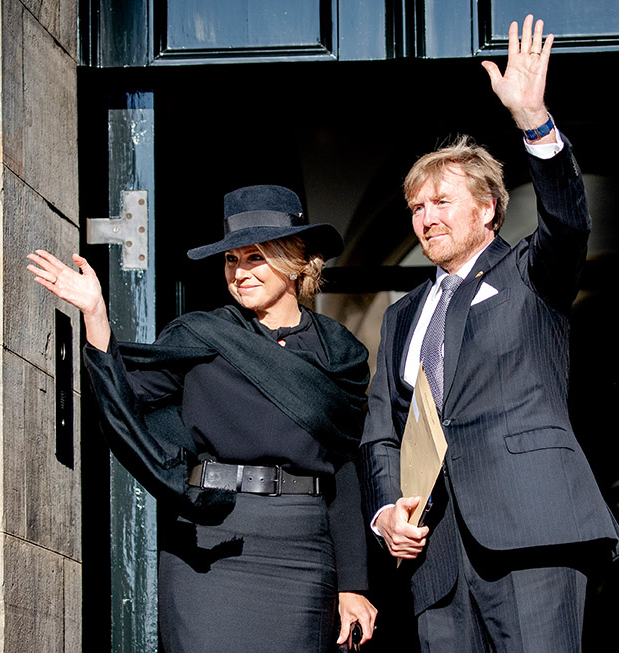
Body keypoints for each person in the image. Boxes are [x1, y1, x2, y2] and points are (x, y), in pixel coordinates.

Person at [359, 14, 619, 651]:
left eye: (441, 202)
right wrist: (385, 511)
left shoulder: (531, 275)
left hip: (531, 533)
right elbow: (380, 429)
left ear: (487, 208)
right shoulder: (402, 316)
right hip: (437, 558)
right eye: (416, 208)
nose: (426, 219)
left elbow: (567, 220)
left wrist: (533, 120)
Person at [27, 184, 377, 652]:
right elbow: (123, 398)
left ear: (296, 261)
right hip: (211, 544)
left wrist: (352, 582)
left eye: (256, 257)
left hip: (302, 549)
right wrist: (96, 316)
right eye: (232, 260)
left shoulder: (339, 353)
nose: (241, 272)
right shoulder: (202, 335)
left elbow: (344, 468)